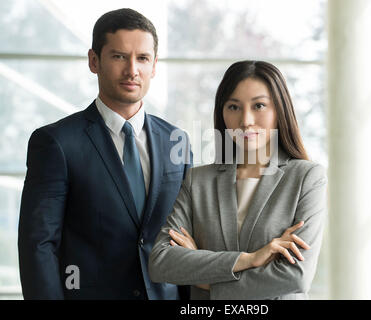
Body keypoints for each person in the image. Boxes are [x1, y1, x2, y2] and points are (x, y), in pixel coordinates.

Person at [18, 8, 192, 300]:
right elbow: (39, 245)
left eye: (142, 58)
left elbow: (187, 235)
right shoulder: (56, 143)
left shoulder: (177, 141)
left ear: (154, 66)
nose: (132, 70)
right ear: (94, 61)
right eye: (119, 56)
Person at [148, 60, 327, 300]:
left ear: (280, 111)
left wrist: (207, 282)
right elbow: (161, 261)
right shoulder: (198, 180)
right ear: (222, 113)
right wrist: (250, 259)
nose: (245, 120)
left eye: (259, 106)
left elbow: (296, 276)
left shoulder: (306, 178)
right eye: (233, 107)